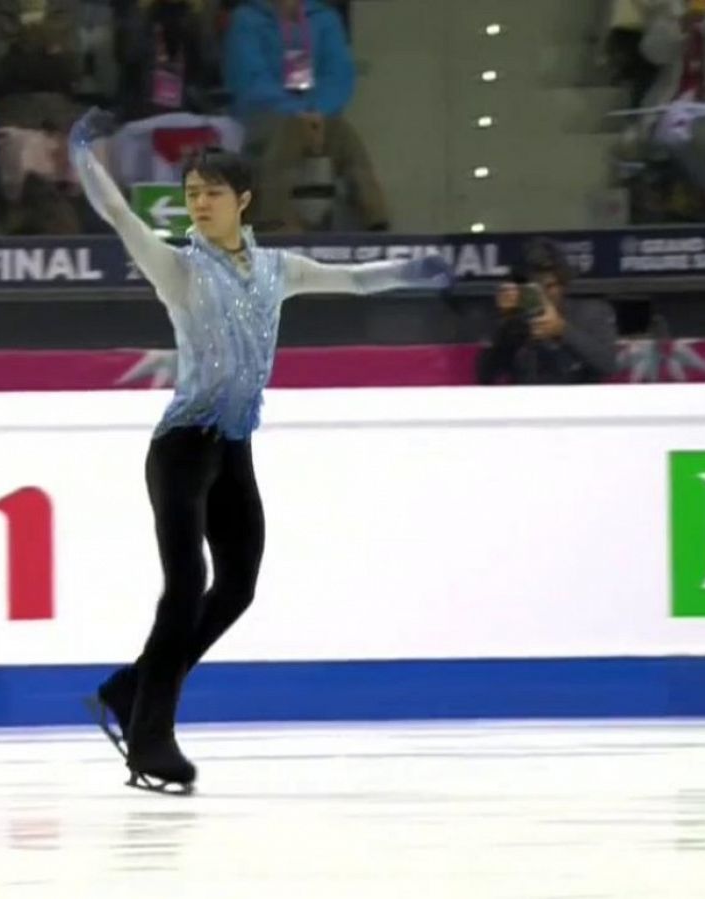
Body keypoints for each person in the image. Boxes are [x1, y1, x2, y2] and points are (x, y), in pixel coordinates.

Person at [68, 107, 452, 794]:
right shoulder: (178, 268)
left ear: (242, 200)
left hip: (234, 449)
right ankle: (150, 739)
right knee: (185, 587)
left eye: (211, 191)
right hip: (182, 449)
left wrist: (415, 269)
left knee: (237, 585)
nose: (198, 202)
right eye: (190, 193)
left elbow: (357, 279)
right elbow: (122, 217)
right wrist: (84, 157)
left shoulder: (280, 269)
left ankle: (131, 687)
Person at [475, 238, 619, 386]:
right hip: (528, 404)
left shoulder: (591, 313)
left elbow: (609, 365)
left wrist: (562, 330)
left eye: (549, 286)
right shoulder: (514, 322)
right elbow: (485, 375)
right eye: (535, 289)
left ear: (563, 285)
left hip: (579, 404)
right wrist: (507, 326)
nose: (544, 295)